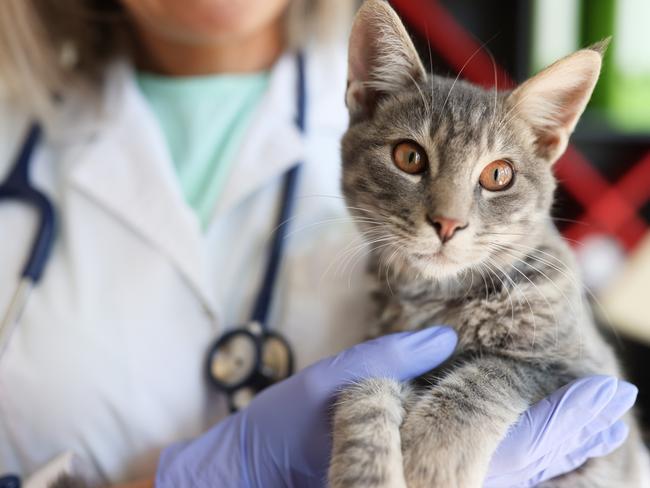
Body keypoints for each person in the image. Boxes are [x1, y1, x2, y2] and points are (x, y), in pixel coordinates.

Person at [0, 1, 638, 487]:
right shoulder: (12, 137)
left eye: (495, 177)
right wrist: (202, 473)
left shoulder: (506, 214)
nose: (450, 219)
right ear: (366, 96)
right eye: (412, 158)